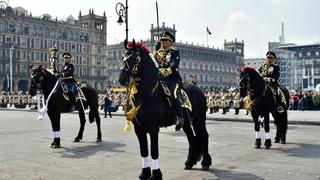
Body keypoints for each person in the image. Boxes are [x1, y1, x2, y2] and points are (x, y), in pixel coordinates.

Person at [154, 31, 184, 131]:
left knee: (173, 94)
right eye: (162, 40)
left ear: (170, 41)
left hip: (173, 79)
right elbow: (154, 64)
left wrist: (164, 72)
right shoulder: (158, 52)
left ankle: (180, 117)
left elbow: (174, 65)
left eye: (165, 40)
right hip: (160, 79)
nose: (162, 42)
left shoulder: (174, 51)